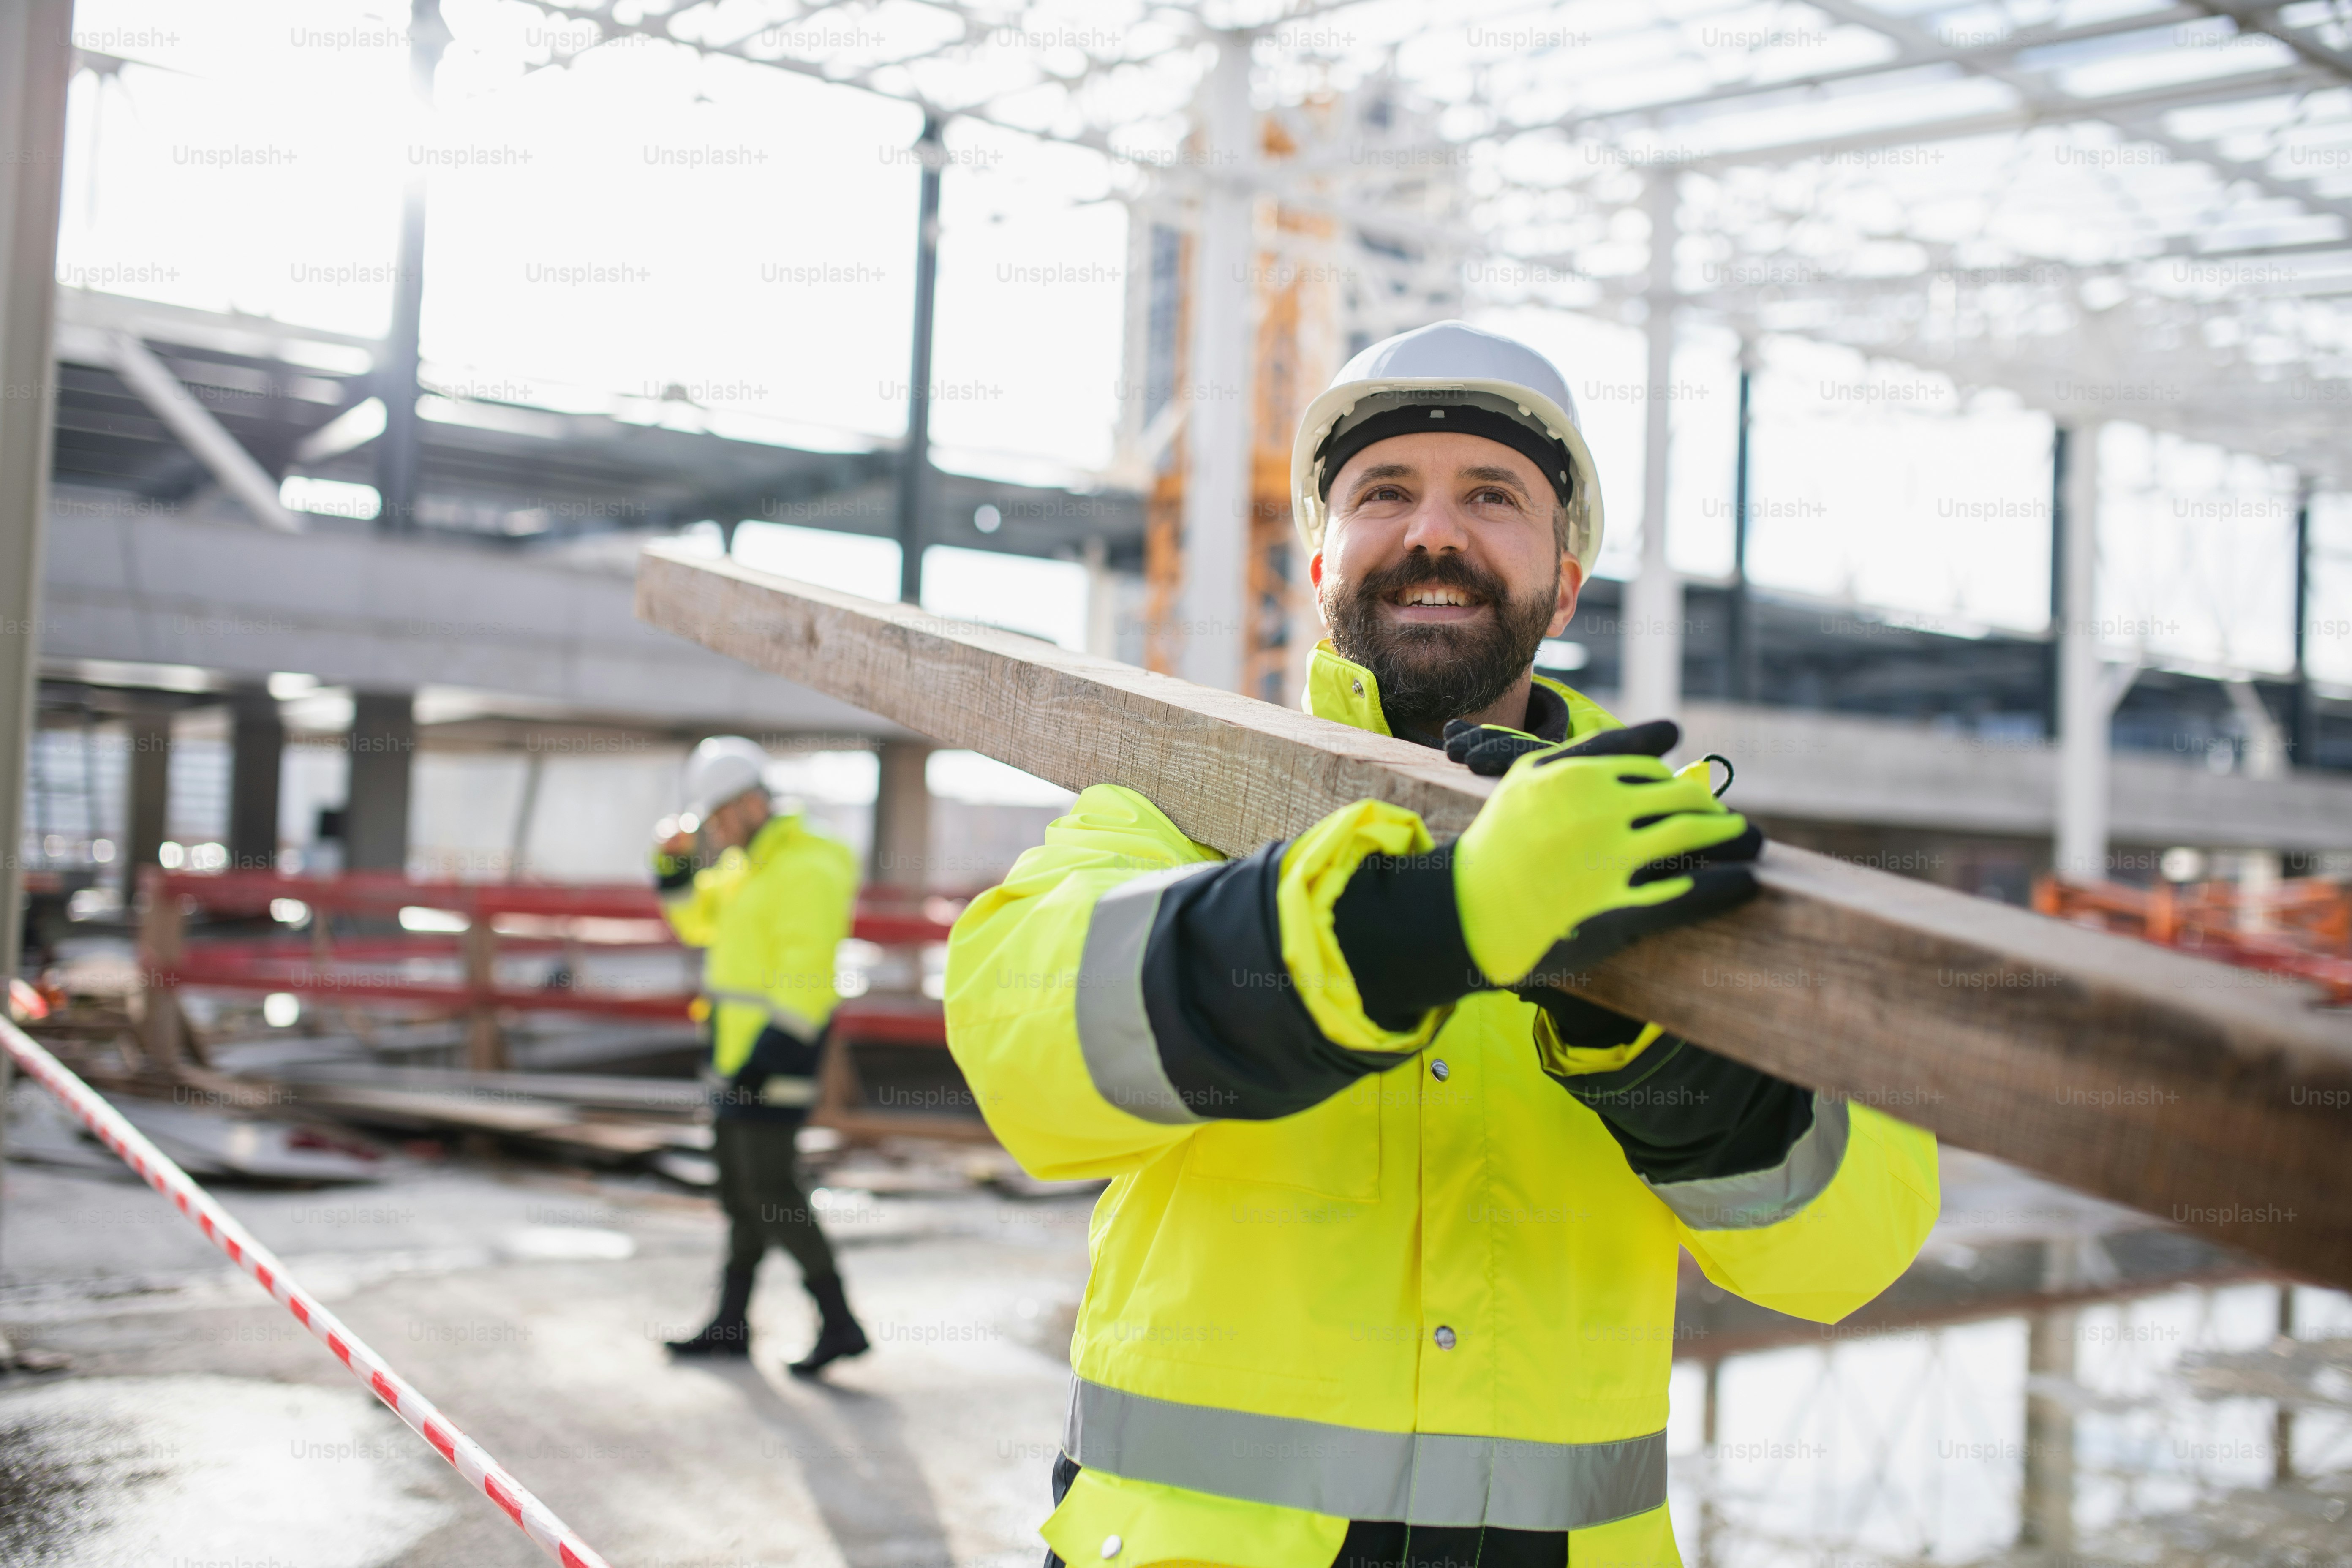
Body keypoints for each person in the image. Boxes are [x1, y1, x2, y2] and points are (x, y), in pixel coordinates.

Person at [945, 322, 1939, 1567]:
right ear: (1320, 564)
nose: (1434, 533)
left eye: (1491, 496)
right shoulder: (1169, 818)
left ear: (1564, 584)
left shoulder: (1673, 872)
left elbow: (1846, 1251)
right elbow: (1021, 1053)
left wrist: (1635, 1021)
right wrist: (1424, 925)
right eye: (1385, 493)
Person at [655, 735, 870, 1375]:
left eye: (720, 818)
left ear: (751, 805)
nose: (716, 832)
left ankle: (839, 1321)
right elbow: (694, 923)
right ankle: (730, 1321)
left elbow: (808, 971)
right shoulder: (746, 868)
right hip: (734, 1058)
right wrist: (673, 868)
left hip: (775, 1058)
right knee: (740, 1190)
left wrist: (769, 1056)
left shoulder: (807, 865)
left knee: (773, 1191)